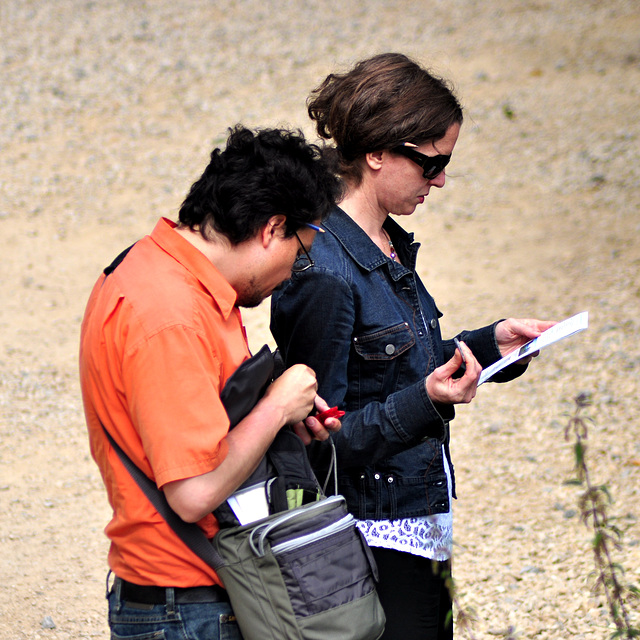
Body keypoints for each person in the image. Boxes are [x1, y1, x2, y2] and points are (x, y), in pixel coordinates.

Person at [270, 53, 555, 640]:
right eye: (432, 165)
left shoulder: (387, 240)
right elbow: (318, 439)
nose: (441, 181)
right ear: (377, 153)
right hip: (368, 543)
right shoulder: (324, 270)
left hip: (417, 521)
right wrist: (426, 400)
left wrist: (488, 346)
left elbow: (392, 363)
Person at [79, 125, 343, 640]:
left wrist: (283, 416)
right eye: (301, 252)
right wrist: (274, 410)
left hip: (195, 597)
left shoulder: (172, 272)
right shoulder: (170, 315)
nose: (294, 273)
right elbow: (193, 492)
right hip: (186, 609)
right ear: (272, 229)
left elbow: (207, 421)